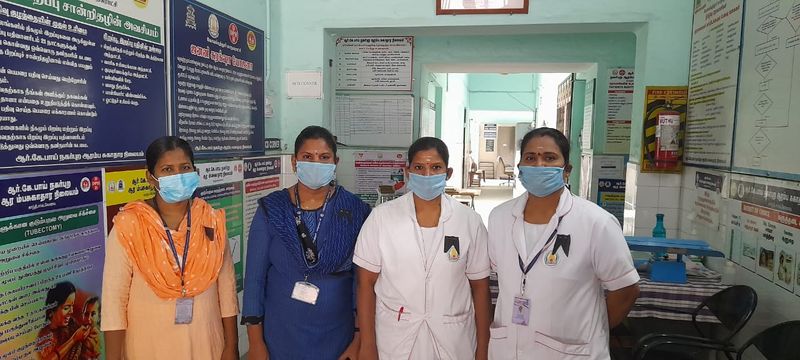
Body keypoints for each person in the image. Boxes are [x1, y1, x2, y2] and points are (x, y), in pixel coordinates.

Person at [487, 127, 640, 359]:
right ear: (520, 168)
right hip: (509, 348)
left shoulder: (597, 222)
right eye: (530, 158)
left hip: (571, 352)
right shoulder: (499, 217)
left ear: (566, 169)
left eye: (549, 158)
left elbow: (626, 290)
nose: (539, 165)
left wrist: (591, 331)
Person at [101, 136, 239, 360]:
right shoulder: (129, 225)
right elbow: (113, 301)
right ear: (151, 178)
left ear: (195, 172)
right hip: (149, 348)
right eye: (167, 169)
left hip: (207, 345)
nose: (178, 176)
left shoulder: (210, 221)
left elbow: (227, 288)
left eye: (185, 168)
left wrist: (231, 345)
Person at [355, 137, 491, 360]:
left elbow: (480, 287)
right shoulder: (381, 217)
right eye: (419, 167)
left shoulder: (469, 221)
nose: (427, 174)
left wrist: (483, 349)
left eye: (435, 167)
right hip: (395, 338)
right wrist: (367, 345)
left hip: (453, 339)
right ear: (407, 171)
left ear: (448, 173)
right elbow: (365, 284)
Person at [242, 125, 371, 360]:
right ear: (294, 162)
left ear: (335, 162)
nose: (316, 163)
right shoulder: (271, 210)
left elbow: (362, 284)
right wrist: (255, 343)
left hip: (338, 338)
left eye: (324, 157)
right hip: (279, 338)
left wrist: (359, 339)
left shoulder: (356, 211)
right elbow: (254, 280)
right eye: (307, 157)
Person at [37, 282, 89, 360]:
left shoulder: (72, 325)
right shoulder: (43, 337)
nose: (71, 311)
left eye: (72, 306)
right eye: (66, 308)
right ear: (52, 310)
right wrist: (73, 339)